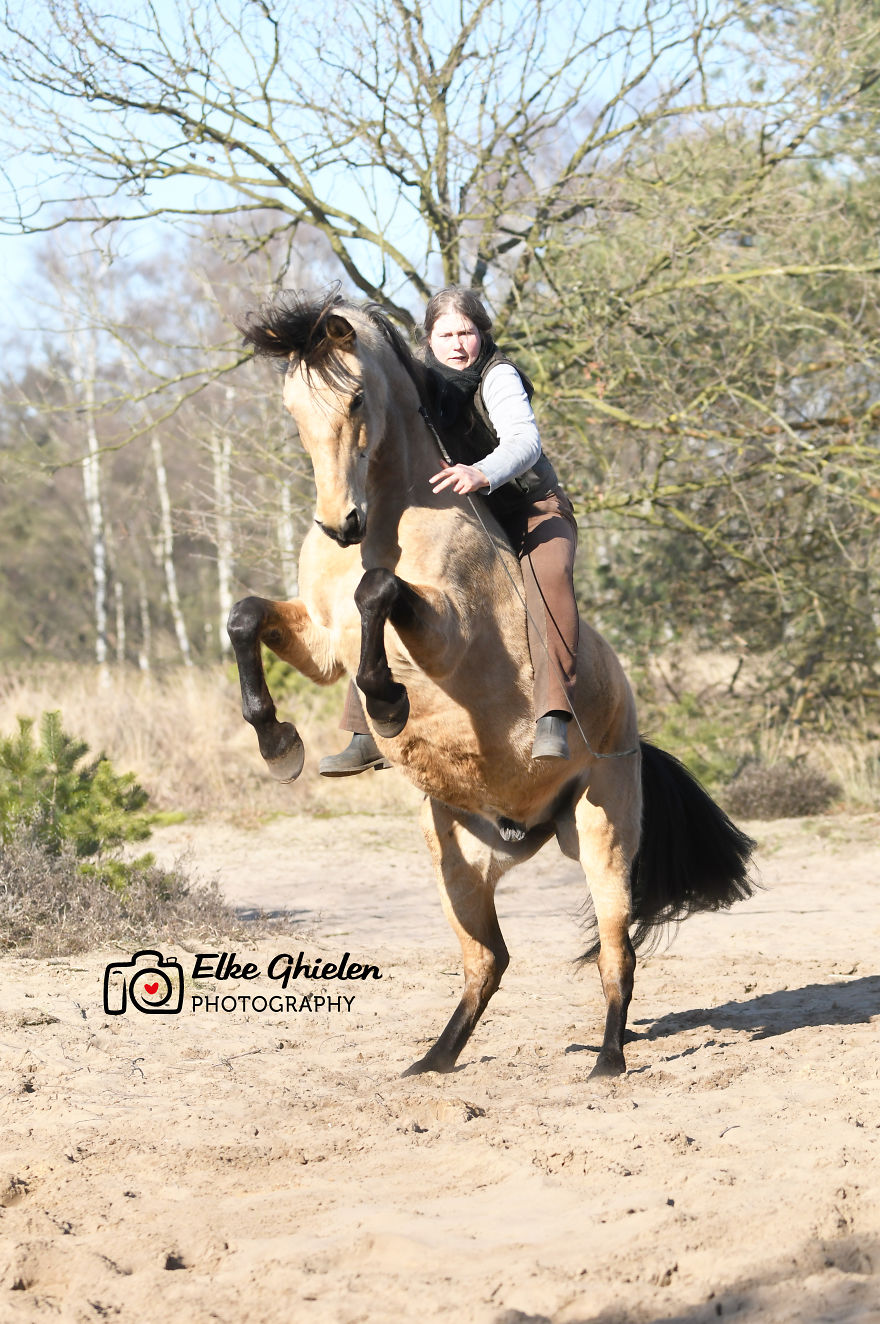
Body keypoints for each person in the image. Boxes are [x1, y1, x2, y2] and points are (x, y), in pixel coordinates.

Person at [319, 286, 579, 776]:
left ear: (482, 334)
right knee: (379, 582)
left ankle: (553, 716)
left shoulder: (499, 376)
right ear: (429, 338)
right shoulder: (416, 377)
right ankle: (364, 731)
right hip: (462, 514)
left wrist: (482, 472)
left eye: (468, 332)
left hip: (529, 509)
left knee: (551, 577)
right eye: (447, 334)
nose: (458, 343)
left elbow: (524, 440)